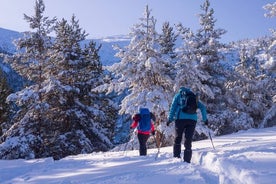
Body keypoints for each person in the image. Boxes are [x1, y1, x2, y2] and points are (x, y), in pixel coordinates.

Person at [167, 87, 208, 163]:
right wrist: (205, 119)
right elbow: (202, 107)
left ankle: (176, 157)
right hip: (192, 120)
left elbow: (173, 107)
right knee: (188, 139)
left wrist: (170, 119)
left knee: (178, 138)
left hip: (180, 119)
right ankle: (187, 160)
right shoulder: (193, 96)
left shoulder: (178, 96)